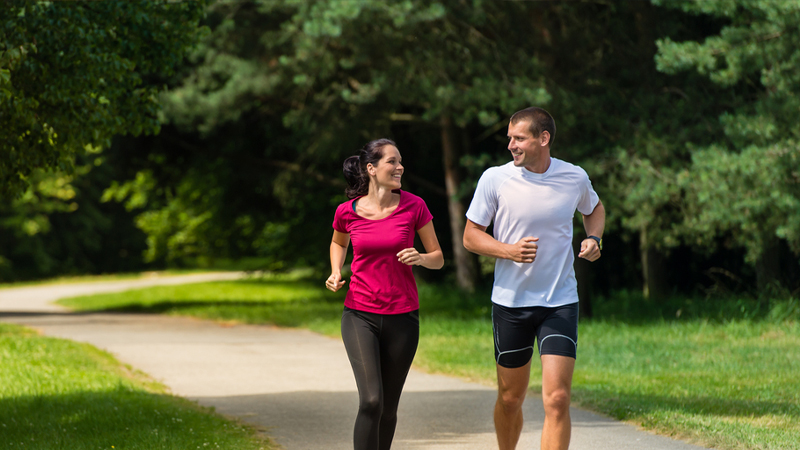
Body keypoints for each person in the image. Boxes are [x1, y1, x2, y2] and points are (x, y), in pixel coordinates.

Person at [463, 107, 605, 450]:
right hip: (511, 302)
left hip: (559, 301)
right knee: (511, 398)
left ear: (544, 139)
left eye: (519, 138)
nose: (511, 144)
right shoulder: (495, 179)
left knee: (557, 398)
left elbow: (594, 209)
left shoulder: (574, 177)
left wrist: (594, 238)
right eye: (509, 138)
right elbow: (471, 236)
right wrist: (508, 251)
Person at [326, 138, 444, 450]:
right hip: (359, 314)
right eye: (392, 161)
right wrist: (337, 270)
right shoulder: (346, 211)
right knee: (371, 401)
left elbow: (438, 257)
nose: (400, 166)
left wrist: (420, 257)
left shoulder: (414, 206)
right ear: (371, 168)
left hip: (403, 317)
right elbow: (339, 242)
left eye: (400, 161)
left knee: (388, 409)